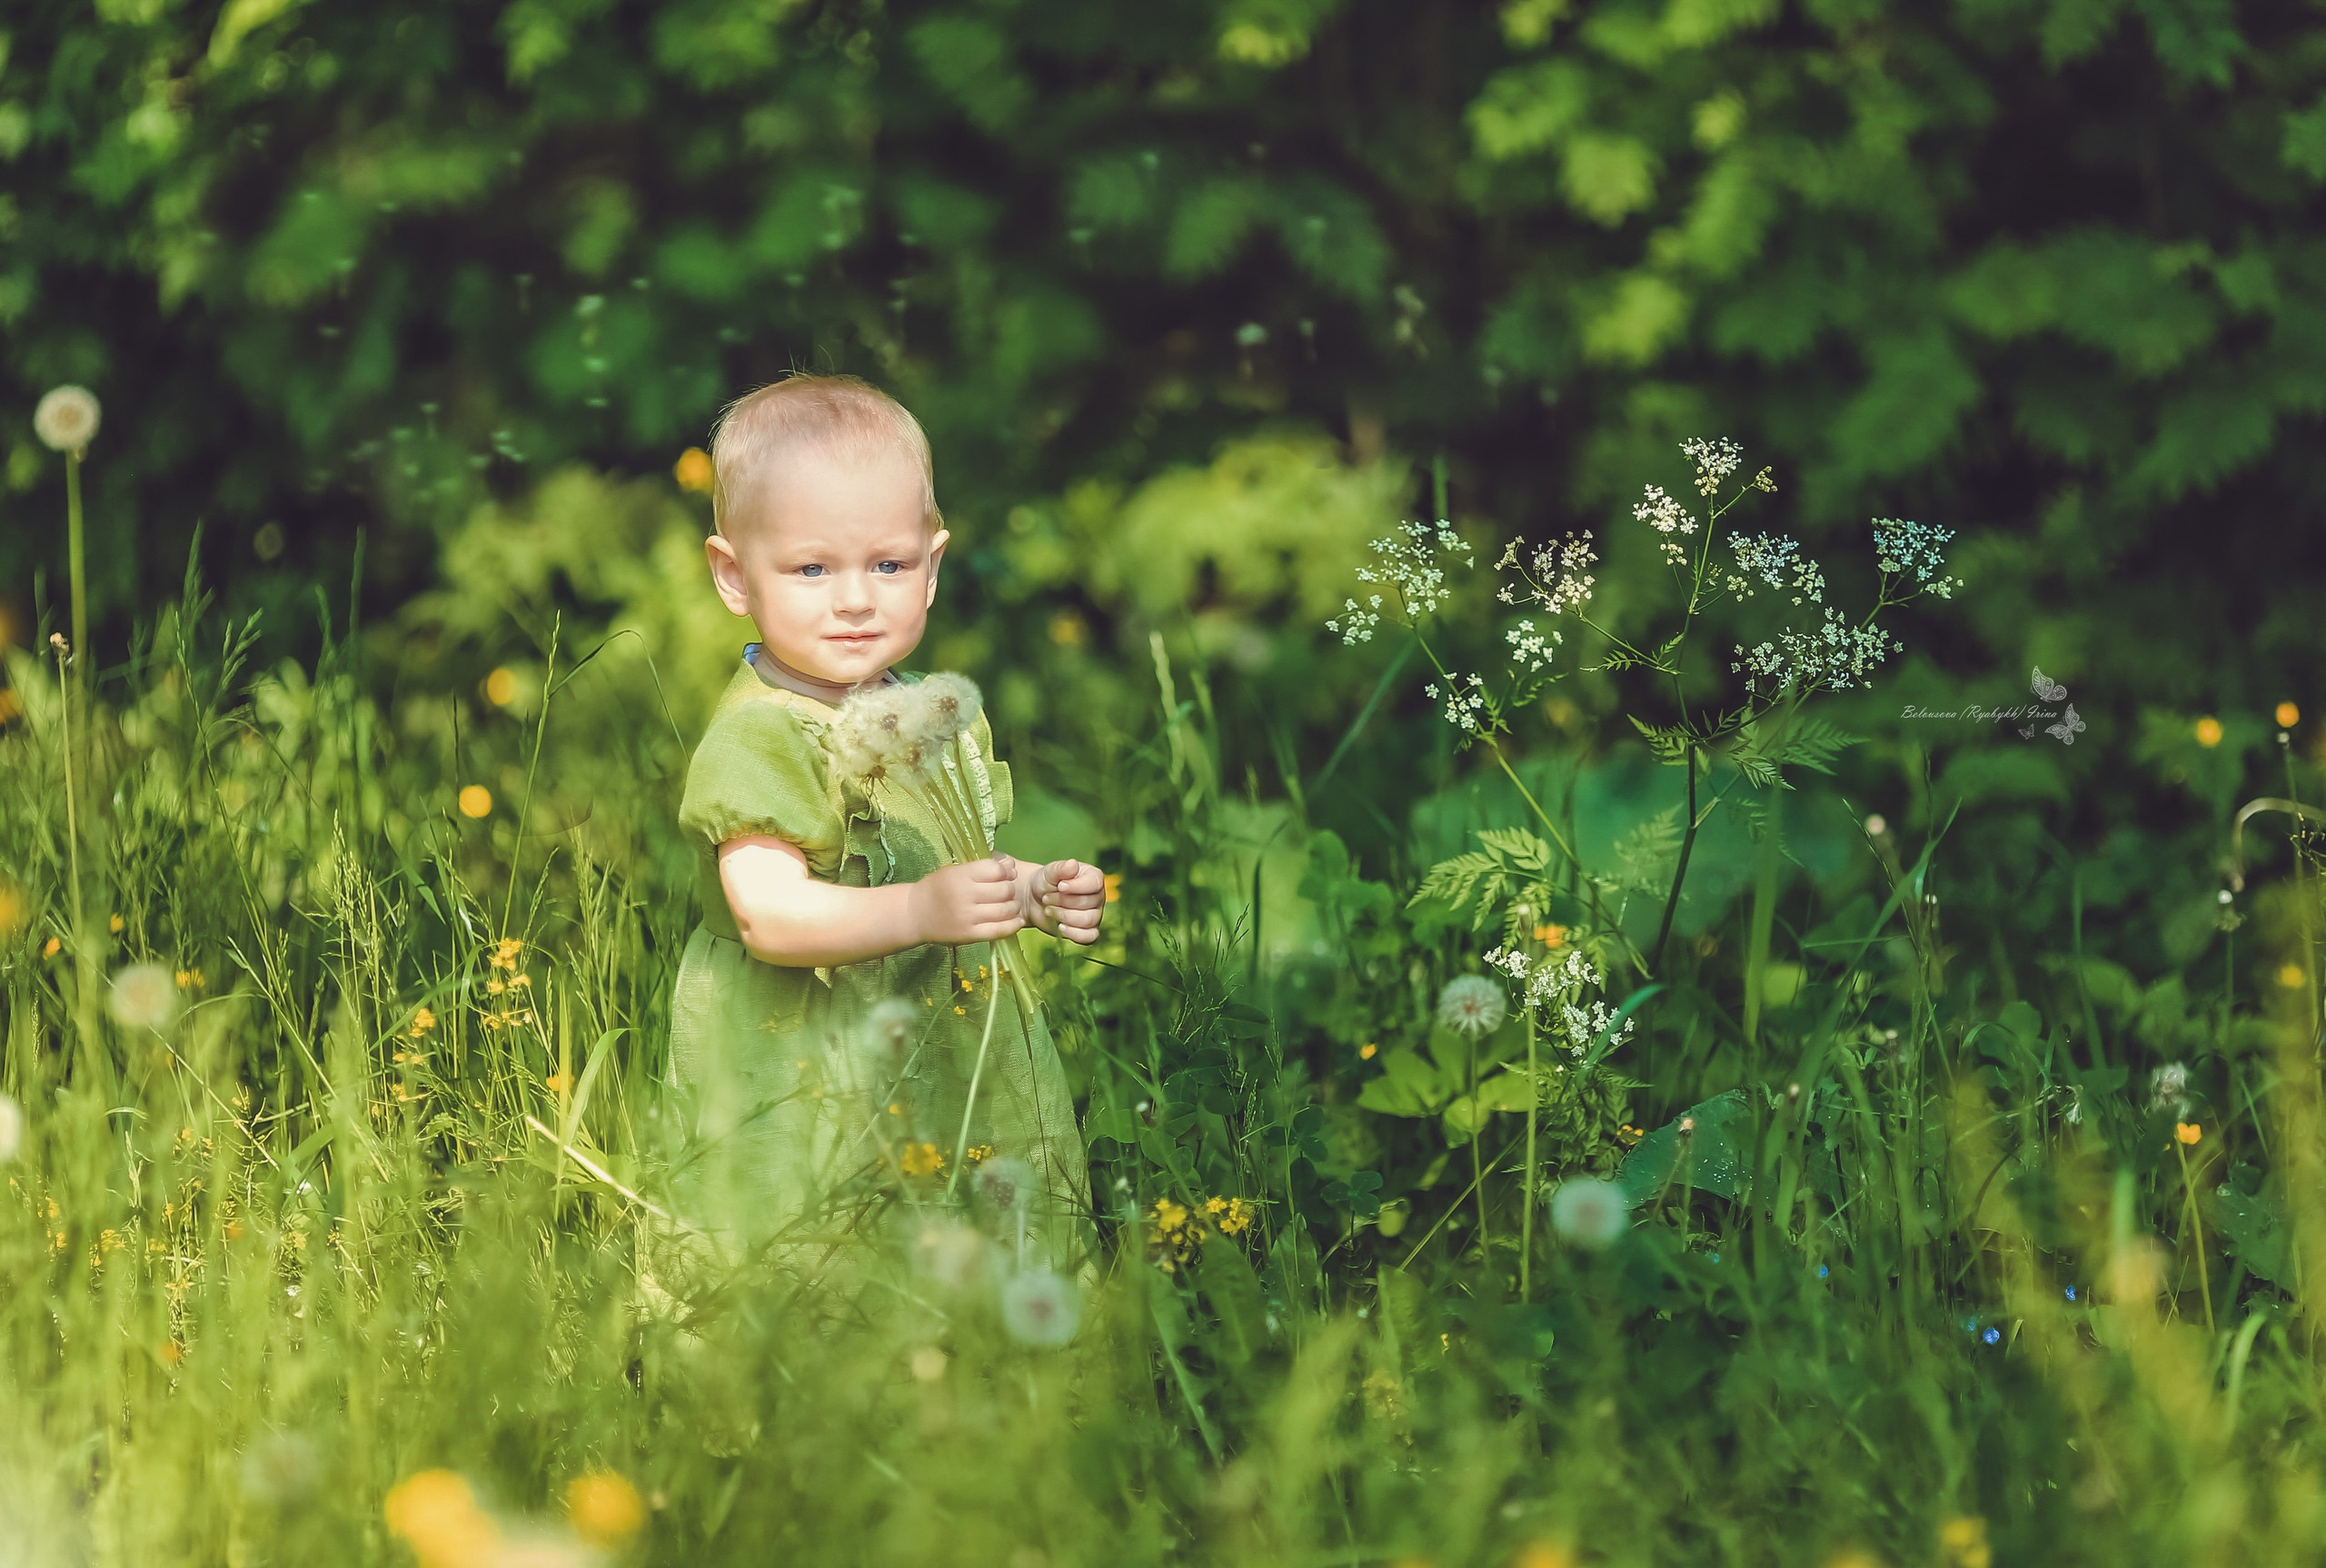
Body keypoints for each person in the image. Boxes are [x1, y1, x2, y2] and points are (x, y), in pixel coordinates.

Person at [669, 373, 1103, 1271]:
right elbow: (768, 916)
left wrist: (1024, 891)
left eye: (889, 564)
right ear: (732, 576)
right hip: (806, 1059)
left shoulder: (931, 716)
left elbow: (947, 855)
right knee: (825, 1240)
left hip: (942, 1051)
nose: (856, 598)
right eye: (812, 567)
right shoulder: (763, 736)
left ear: (932, 567)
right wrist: (920, 912)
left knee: (956, 1227)